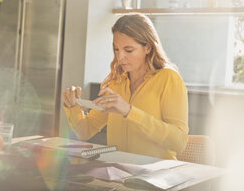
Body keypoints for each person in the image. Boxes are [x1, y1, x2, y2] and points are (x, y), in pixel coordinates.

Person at [62, 13, 188, 159]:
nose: (120, 57)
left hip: (156, 174)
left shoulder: (168, 78)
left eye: (128, 50)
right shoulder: (116, 82)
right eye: (116, 49)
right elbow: (84, 132)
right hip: (119, 171)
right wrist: (72, 107)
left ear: (147, 47)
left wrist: (129, 111)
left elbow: (179, 143)